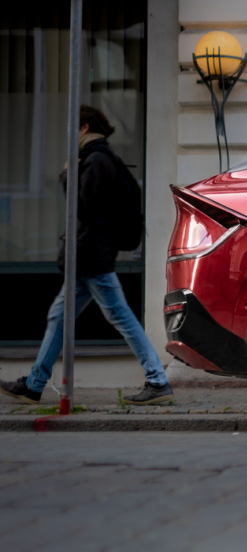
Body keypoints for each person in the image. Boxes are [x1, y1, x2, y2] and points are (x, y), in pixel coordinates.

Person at [0, 106, 173, 406]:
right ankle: (34, 384)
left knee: (121, 317)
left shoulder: (96, 160)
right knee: (59, 316)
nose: (68, 134)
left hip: (91, 255)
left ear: (84, 127)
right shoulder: (104, 159)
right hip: (90, 254)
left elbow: (82, 207)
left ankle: (157, 380)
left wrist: (68, 174)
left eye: (71, 128)